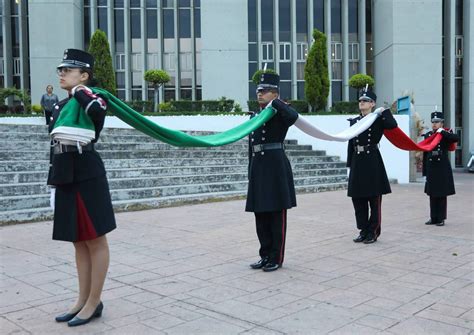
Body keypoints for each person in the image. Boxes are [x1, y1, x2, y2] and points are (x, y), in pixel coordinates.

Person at [48, 49, 116, 327]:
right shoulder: (61, 106)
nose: (62, 74)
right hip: (65, 172)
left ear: (84, 75)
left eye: (68, 70)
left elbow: (96, 111)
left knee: (95, 238)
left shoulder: (91, 98)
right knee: (77, 239)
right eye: (60, 70)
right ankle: (83, 299)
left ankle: (93, 302)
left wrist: (80, 89)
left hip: (87, 170)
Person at [247, 72, 299, 272]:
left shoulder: (280, 111)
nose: (260, 94)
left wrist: (277, 103)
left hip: (275, 167)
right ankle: (264, 254)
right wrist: (250, 170)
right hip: (259, 167)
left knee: (276, 215)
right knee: (260, 215)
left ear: (275, 93)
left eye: (265, 91)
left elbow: (293, 117)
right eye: (259, 90)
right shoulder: (255, 116)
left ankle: (276, 256)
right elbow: (251, 146)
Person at [346, 89, 397, 244]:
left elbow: (392, 125)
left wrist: (384, 111)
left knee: (374, 200)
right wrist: (350, 164)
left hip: (372, 161)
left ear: (373, 104)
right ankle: (363, 230)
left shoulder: (378, 119)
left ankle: (373, 231)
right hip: (358, 161)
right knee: (358, 199)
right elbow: (351, 142)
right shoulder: (354, 121)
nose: (362, 102)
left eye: (366, 100)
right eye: (360, 100)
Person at [422, 111, 459, 226]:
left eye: (437, 122)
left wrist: (442, 132)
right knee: (432, 194)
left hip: (442, 166)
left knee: (441, 194)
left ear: (442, 123)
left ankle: (441, 218)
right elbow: (425, 154)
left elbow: (455, 138)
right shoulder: (428, 135)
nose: (434, 124)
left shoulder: (445, 133)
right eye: (433, 122)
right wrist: (425, 172)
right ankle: (433, 217)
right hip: (431, 166)